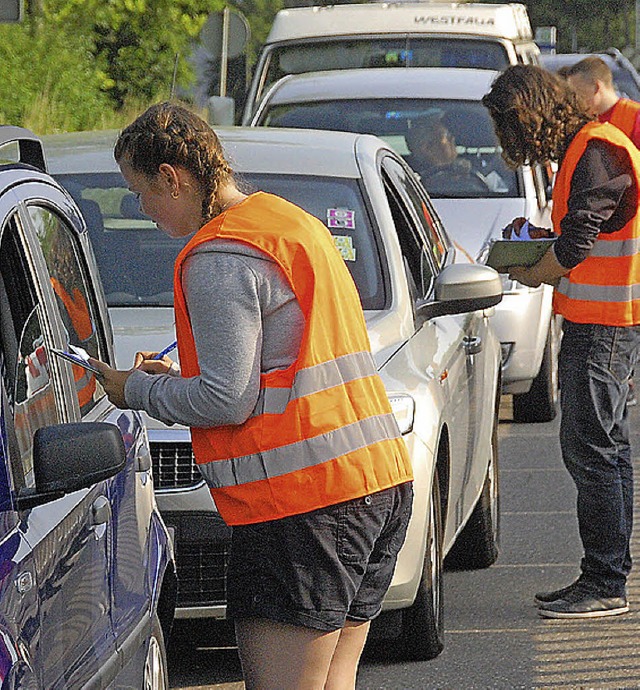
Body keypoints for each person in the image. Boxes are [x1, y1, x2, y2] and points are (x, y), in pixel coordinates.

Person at [91, 101, 414, 688]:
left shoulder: (218, 256)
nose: (142, 210)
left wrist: (135, 389)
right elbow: (280, 360)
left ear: (172, 177)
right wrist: (170, 378)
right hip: (374, 482)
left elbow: (225, 400)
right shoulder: (285, 223)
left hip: (302, 507)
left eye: (140, 192)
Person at [483, 65, 640, 619]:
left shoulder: (596, 149)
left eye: (509, 130)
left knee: (591, 448)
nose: (510, 145)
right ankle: (607, 574)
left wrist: (536, 269)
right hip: (603, 321)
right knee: (605, 447)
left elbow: (578, 242)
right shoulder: (590, 146)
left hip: (605, 325)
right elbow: (584, 231)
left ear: (528, 118)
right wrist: (540, 246)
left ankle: (604, 582)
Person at [564, 56, 640, 406]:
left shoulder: (632, 119)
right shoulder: (590, 128)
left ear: (597, 86)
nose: (573, 104)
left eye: (577, 93)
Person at [564, 56, 640, 148]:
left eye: (579, 93)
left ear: (596, 87)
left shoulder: (635, 116)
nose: (575, 100)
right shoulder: (578, 121)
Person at [404, 117, 491, 194]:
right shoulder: (412, 180)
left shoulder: (477, 171)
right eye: (446, 136)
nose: (452, 139)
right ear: (427, 148)